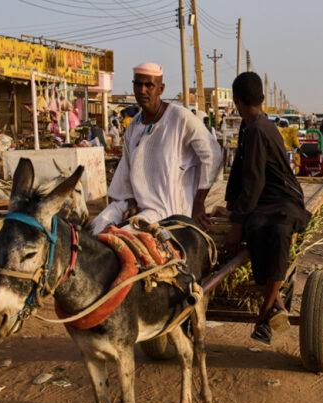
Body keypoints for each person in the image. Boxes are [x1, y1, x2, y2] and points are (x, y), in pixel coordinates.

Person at [223, 72, 310, 345]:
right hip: (263, 200)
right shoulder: (250, 126)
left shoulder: (260, 129)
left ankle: (263, 314)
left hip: (284, 199)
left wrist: (236, 224)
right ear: (261, 98)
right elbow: (239, 170)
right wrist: (232, 207)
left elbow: (254, 181)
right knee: (257, 227)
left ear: (236, 101)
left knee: (277, 231)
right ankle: (277, 306)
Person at [91, 62, 221, 235]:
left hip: (166, 209)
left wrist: (199, 202)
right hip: (136, 204)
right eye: (138, 84)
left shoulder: (180, 118)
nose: (142, 90)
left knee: (122, 236)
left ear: (161, 89)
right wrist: (131, 202)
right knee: (96, 227)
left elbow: (213, 155)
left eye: (149, 85)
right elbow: (127, 170)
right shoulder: (133, 126)